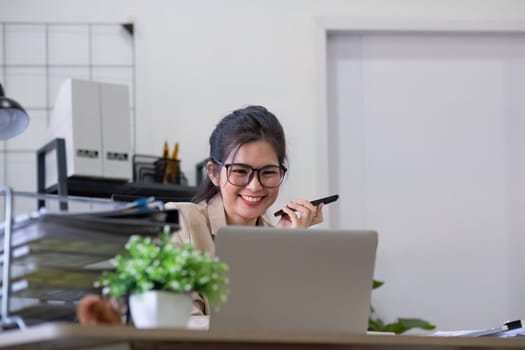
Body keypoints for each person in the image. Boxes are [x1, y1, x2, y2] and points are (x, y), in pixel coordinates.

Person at [165, 105, 325, 314]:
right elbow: (182, 325)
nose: (255, 186)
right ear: (214, 173)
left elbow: (293, 324)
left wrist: (284, 248)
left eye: (268, 172)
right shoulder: (181, 220)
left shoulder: (278, 238)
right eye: (240, 171)